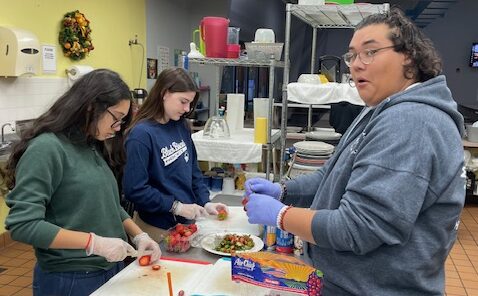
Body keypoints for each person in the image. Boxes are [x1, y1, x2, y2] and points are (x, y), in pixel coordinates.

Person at [245, 8, 465, 296]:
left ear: (409, 57)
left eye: (370, 52)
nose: (356, 65)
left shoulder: (411, 121)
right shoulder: (378, 109)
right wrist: (283, 191)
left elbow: (358, 227)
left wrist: (282, 215)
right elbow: (333, 174)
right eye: (352, 56)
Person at [1, 69, 161, 296]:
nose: (117, 128)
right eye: (116, 118)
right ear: (90, 107)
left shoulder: (89, 143)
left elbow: (106, 203)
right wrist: (92, 243)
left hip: (109, 267)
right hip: (71, 278)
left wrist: (138, 235)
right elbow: (23, 225)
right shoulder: (47, 148)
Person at [122, 67, 228, 241]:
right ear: (165, 93)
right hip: (156, 228)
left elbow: (193, 170)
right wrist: (175, 207)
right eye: (183, 101)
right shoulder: (141, 135)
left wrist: (205, 202)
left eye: (190, 103)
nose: (187, 109)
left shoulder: (180, 125)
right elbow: (135, 190)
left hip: (185, 224)